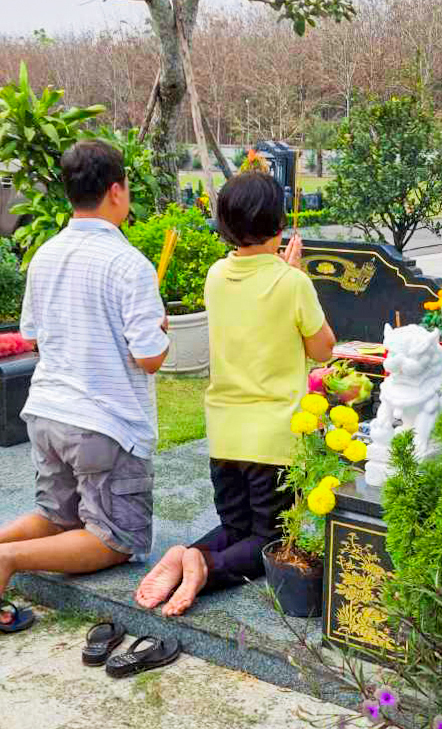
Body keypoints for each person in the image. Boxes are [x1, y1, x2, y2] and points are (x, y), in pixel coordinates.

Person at [0, 138, 168, 631]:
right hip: (104, 424)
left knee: (58, 517)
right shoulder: (131, 265)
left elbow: (32, 336)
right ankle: (5, 559)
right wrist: (160, 331)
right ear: (117, 191)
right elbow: (149, 358)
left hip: (46, 413)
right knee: (117, 539)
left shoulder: (45, 255)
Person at [136, 171, 335, 617]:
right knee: (269, 539)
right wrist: (293, 273)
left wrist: (284, 272)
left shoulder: (216, 275)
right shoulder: (292, 283)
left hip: (225, 431)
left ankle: (185, 556)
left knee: (235, 526)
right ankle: (203, 568)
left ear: (224, 224)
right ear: (279, 224)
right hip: (274, 438)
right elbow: (323, 349)